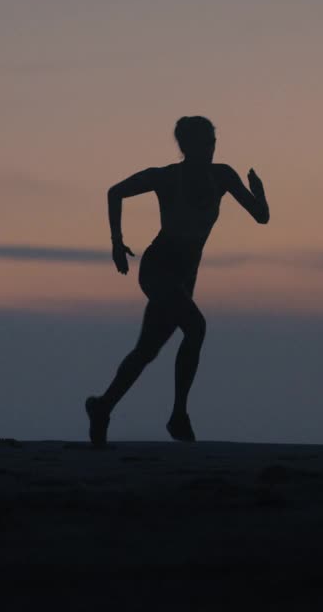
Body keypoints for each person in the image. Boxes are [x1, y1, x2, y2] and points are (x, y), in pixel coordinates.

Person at [86, 116, 268, 446]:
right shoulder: (166, 177)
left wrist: (260, 192)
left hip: (186, 275)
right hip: (158, 267)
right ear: (187, 147)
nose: (211, 150)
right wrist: (116, 242)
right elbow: (116, 192)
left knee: (147, 350)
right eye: (204, 144)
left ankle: (102, 406)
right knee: (196, 327)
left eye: (213, 143)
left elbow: (261, 216)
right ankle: (178, 416)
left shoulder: (222, 175)